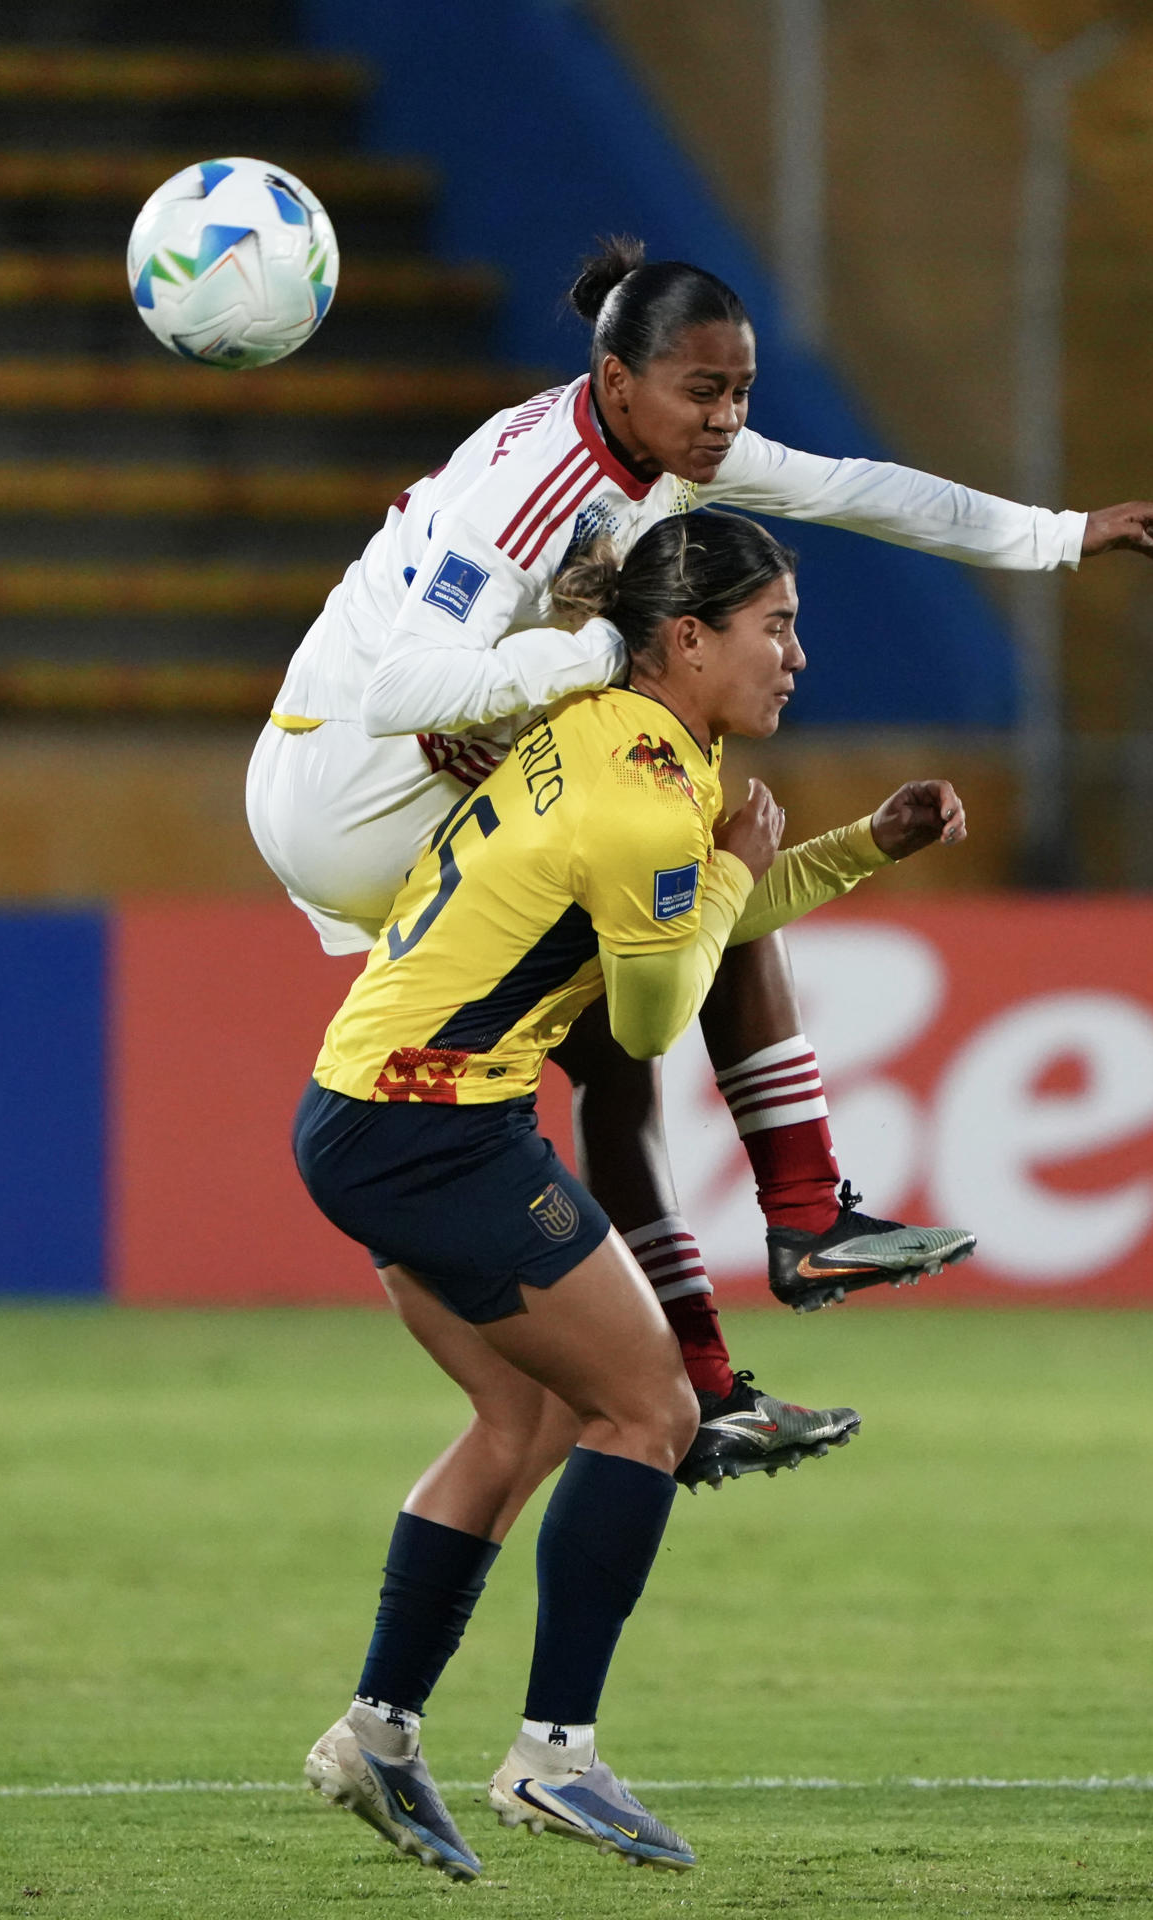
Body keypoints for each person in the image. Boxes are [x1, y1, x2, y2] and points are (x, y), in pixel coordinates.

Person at [249, 236, 1153, 1484]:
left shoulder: (657, 445)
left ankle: (711, 1377)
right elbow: (401, 686)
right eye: (702, 392)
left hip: (420, 776)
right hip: (352, 782)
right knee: (697, 870)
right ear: (617, 376)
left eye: (737, 391)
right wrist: (590, 665)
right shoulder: (534, 488)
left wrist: (1065, 534)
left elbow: (861, 489)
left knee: (615, 1041)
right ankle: (800, 1214)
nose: (725, 419)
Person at [294, 511, 968, 1878]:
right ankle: (555, 1753)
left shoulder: (612, 729)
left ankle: (377, 1732)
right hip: (434, 1127)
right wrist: (727, 858)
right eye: (772, 626)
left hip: (370, 1106)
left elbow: (685, 918)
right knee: (652, 1408)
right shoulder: (651, 801)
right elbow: (659, 1010)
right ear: (687, 638)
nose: (796, 654)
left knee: (531, 1413)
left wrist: (854, 849)